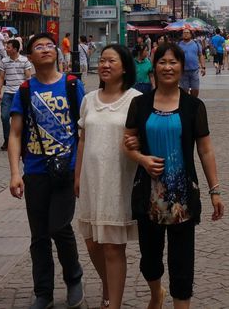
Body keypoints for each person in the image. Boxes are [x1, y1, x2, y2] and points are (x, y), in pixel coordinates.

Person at [123, 42, 225, 309]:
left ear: (182, 67)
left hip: (182, 198)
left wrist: (215, 190)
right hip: (149, 196)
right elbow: (128, 142)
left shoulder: (193, 106)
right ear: (153, 67)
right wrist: (142, 159)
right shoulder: (140, 104)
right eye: (162, 62)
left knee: (182, 262)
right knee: (150, 261)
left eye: (173, 62)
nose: (167, 67)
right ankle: (156, 293)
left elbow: (205, 150)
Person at [8, 33, 86, 309]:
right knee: (39, 235)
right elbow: (15, 134)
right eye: (38, 47)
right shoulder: (26, 90)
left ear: (57, 52)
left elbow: (84, 129)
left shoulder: (73, 85)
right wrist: (15, 173)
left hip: (67, 169)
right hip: (37, 171)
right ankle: (44, 293)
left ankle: (74, 277)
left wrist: (82, 170)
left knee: (59, 226)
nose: (44, 49)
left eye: (48, 45)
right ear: (30, 56)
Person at [74, 45, 139, 309]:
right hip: (91, 180)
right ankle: (108, 285)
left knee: (113, 247)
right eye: (101, 60)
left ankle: (114, 302)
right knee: (92, 245)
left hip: (118, 182)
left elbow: (141, 137)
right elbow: (83, 139)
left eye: (111, 60)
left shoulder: (135, 99)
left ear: (124, 67)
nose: (105, 65)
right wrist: (77, 175)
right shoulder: (89, 99)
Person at [0, 37, 35, 151]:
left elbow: (28, 77)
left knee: (22, 118)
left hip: (21, 93)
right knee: (4, 117)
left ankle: (21, 140)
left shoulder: (24, 61)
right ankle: (7, 139)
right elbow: (1, 77)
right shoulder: (4, 61)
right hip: (8, 92)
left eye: (8, 47)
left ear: (15, 49)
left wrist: (29, 92)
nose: (6, 49)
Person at [176, 28, 206, 97]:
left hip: (194, 71)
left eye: (187, 32)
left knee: (195, 90)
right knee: (184, 91)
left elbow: (201, 55)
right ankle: (187, 105)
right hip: (183, 72)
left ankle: (193, 103)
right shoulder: (178, 45)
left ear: (191, 34)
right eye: (184, 33)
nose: (185, 34)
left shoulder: (196, 43)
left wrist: (203, 67)